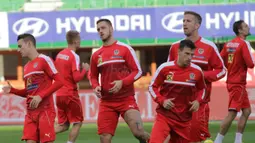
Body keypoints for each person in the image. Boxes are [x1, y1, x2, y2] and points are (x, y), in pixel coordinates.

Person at [167, 11, 226, 143]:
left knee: (195, 139)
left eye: (188, 21)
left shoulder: (209, 47)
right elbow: (168, 72)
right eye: (183, 21)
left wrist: (201, 76)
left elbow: (222, 70)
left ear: (197, 25)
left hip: (199, 103)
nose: (184, 24)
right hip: (176, 104)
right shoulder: (175, 47)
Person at [89, 19, 150, 143]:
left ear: (111, 29)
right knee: (104, 138)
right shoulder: (96, 55)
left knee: (139, 133)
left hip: (126, 99)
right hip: (106, 102)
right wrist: (95, 86)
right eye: (98, 29)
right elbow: (93, 76)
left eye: (103, 28)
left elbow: (137, 71)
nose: (100, 31)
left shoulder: (125, 49)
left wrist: (123, 82)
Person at [2, 33, 64, 143]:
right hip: (30, 114)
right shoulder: (26, 67)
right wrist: (12, 90)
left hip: (45, 111)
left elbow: (60, 81)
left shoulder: (44, 59)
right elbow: (28, 91)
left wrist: (41, 96)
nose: (18, 50)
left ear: (29, 44)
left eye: (20, 46)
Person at [149, 39, 206, 143]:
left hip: (184, 119)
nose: (189, 58)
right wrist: (162, 101)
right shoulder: (165, 68)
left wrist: (198, 101)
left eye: (192, 55)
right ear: (179, 51)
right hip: (165, 116)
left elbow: (202, 89)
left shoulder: (197, 71)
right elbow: (152, 87)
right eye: (187, 53)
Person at [214, 20, 254, 143]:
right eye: (245, 26)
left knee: (247, 111)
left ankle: (238, 140)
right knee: (232, 113)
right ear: (240, 30)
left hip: (232, 81)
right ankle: (218, 140)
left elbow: (220, 59)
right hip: (238, 84)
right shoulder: (244, 43)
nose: (248, 28)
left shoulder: (228, 44)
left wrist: (231, 66)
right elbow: (251, 64)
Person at [54, 30, 90, 143]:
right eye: (79, 39)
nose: (80, 42)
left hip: (59, 94)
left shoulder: (60, 54)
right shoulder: (74, 56)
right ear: (75, 41)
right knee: (77, 122)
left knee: (63, 125)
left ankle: (40, 135)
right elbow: (76, 78)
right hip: (70, 94)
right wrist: (85, 69)